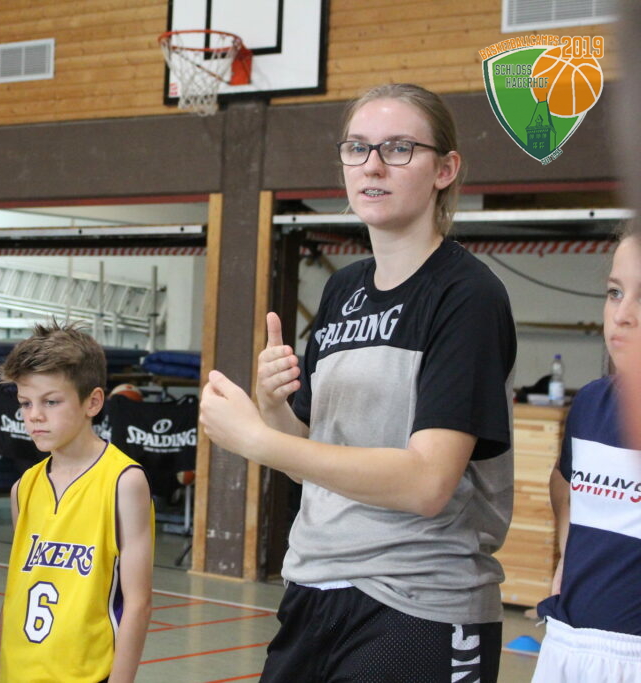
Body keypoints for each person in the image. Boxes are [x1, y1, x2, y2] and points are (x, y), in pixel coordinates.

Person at [200, 83, 517, 682]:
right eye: (357, 148)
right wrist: (273, 408)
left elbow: (427, 483)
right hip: (315, 585)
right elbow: (314, 463)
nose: (372, 165)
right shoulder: (342, 289)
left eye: (398, 148)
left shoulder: (467, 296)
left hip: (418, 602)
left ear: (445, 169)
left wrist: (259, 441)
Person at [0, 322, 153, 683]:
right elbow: (14, 595)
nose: (34, 415)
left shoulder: (124, 482)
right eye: (25, 403)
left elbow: (138, 603)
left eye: (51, 401)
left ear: (92, 402)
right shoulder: (23, 488)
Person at [532, 230, 641, 681]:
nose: (623, 314)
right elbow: (564, 480)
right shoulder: (593, 403)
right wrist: (568, 553)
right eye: (615, 292)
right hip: (572, 641)